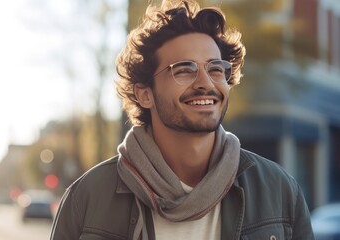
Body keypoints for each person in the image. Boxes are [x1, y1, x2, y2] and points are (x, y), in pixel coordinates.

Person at [50, 0, 315, 239]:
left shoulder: (280, 192)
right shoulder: (86, 199)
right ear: (145, 95)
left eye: (215, 68)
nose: (205, 83)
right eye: (184, 70)